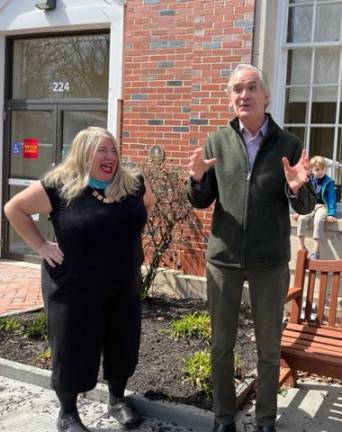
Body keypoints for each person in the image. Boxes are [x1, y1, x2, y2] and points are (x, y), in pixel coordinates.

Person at [186, 64, 315, 432]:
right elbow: (202, 200)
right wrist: (196, 180)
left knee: (269, 348)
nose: (243, 95)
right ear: (231, 97)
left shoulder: (289, 144)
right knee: (222, 345)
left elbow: (305, 206)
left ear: (266, 95)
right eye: (237, 89)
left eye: (251, 88)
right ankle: (223, 417)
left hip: (269, 261)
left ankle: (264, 420)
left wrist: (295, 188)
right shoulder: (217, 142)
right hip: (223, 259)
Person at [3, 127, 154, 432]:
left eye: (113, 150)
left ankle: (117, 400)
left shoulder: (132, 183)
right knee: (72, 346)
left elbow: (147, 205)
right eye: (102, 150)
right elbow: (14, 208)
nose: (110, 156)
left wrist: (130, 239)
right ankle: (68, 412)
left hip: (122, 282)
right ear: (84, 153)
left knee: (122, 342)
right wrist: (41, 246)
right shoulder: (59, 187)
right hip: (74, 286)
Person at [292, 155, 337, 259]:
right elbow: (303, 196)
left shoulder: (329, 182)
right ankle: (301, 246)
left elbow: (332, 199)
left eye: (323, 169)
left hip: (322, 206)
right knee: (302, 218)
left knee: (318, 220)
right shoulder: (308, 180)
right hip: (310, 205)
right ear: (312, 169)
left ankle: (316, 251)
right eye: (317, 169)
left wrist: (331, 213)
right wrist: (299, 211)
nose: (320, 172)